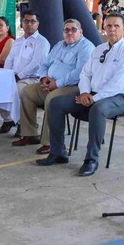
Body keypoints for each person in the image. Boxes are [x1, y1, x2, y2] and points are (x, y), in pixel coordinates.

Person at [36, 13, 124, 176]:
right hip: (91, 94)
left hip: (119, 97)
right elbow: (85, 74)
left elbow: (116, 84)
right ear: (104, 27)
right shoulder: (99, 49)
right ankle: (58, 152)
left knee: (97, 109)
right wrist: (84, 92)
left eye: (116, 26)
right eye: (109, 26)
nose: (112, 29)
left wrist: (93, 98)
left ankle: (91, 159)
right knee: (56, 103)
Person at [14, 19, 94, 153]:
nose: (70, 33)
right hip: (50, 84)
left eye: (73, 30)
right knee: (27, 92)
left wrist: (57, 84)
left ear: (81, 32)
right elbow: (44, 64)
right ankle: (30, 134)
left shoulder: (86, 47)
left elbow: (79, 73)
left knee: (52, 99)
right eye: (66, 30)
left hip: (74, 87)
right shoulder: (59, 45)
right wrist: (44, 78)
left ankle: (49, 142)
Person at [0, 9, 50, 134]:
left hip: (32, 79)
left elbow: (36, 64)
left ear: (38, 24)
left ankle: (23, 125)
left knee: (16, 90)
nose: (29, 24)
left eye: (32, 21)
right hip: (13, 76)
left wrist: (19, 76)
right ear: (22, 23)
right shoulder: (18, 41)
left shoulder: (41, 42)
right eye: (26, 21)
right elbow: (9, 59)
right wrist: (6, 75)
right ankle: (8, 119)